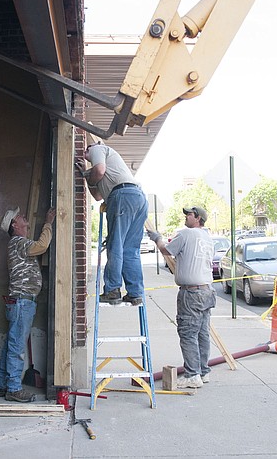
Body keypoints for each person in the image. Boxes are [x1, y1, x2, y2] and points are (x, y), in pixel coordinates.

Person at [148, 206, 216, 388]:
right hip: (206, 291)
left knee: (188, 333)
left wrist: (157, 238)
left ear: (198, 218)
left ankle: (193, 375)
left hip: (192, 293)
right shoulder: (208, 238)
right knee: (202, 333)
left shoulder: (187, 234)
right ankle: (203, 370)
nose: (186, 217)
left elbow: (166, 251)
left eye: (190, 214)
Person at [0, 206, 56, 402]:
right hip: (22, 302)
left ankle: (1, 385)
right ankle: (13, 388)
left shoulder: (16, 243)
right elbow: (42, 246)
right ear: (15, 224)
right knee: (16, 347)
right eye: (20, 216)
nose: (24, 216)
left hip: (19, 302)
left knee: (11, 345)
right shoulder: (19, 242)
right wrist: (48, 223)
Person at [76, 139, 148, 306]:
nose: (86, 157)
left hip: (122, 196)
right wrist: (87, 175)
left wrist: (90, 174)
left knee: (115, 246)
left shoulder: (97, 148)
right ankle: (135, 294)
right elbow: (98, 196)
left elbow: (99, 171)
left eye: (86, 154)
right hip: (138, 198)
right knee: (130, 250)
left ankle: (112, 290)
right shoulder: (107, 167)